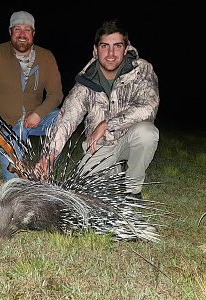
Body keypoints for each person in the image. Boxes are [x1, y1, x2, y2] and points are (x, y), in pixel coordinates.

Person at [39, 19, 160, 197]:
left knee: (147, 133)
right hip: (99, 147)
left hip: (128, 139)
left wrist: (107, 124)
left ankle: (132, 191)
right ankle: (113, 174)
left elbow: (148, 106)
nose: (111, 53)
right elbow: (67, 118)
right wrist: (48, 157)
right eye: (104, 46)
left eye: (117, 46)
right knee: (82, 192)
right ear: (95, 50)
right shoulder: (86, 80)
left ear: (126, 49)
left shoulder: (142, 70)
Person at [0, 11, 63, 181]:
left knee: (64, 117)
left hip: (34, 119)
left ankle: (45, 168)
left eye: (27, 30)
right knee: (12, 181)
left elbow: (56, 95)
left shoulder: (46, 57)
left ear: (33, 33)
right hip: (5, 124)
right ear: (10, 32)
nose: (22, 35)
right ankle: (16, 181)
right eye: (17, 29)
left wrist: (39, 113)